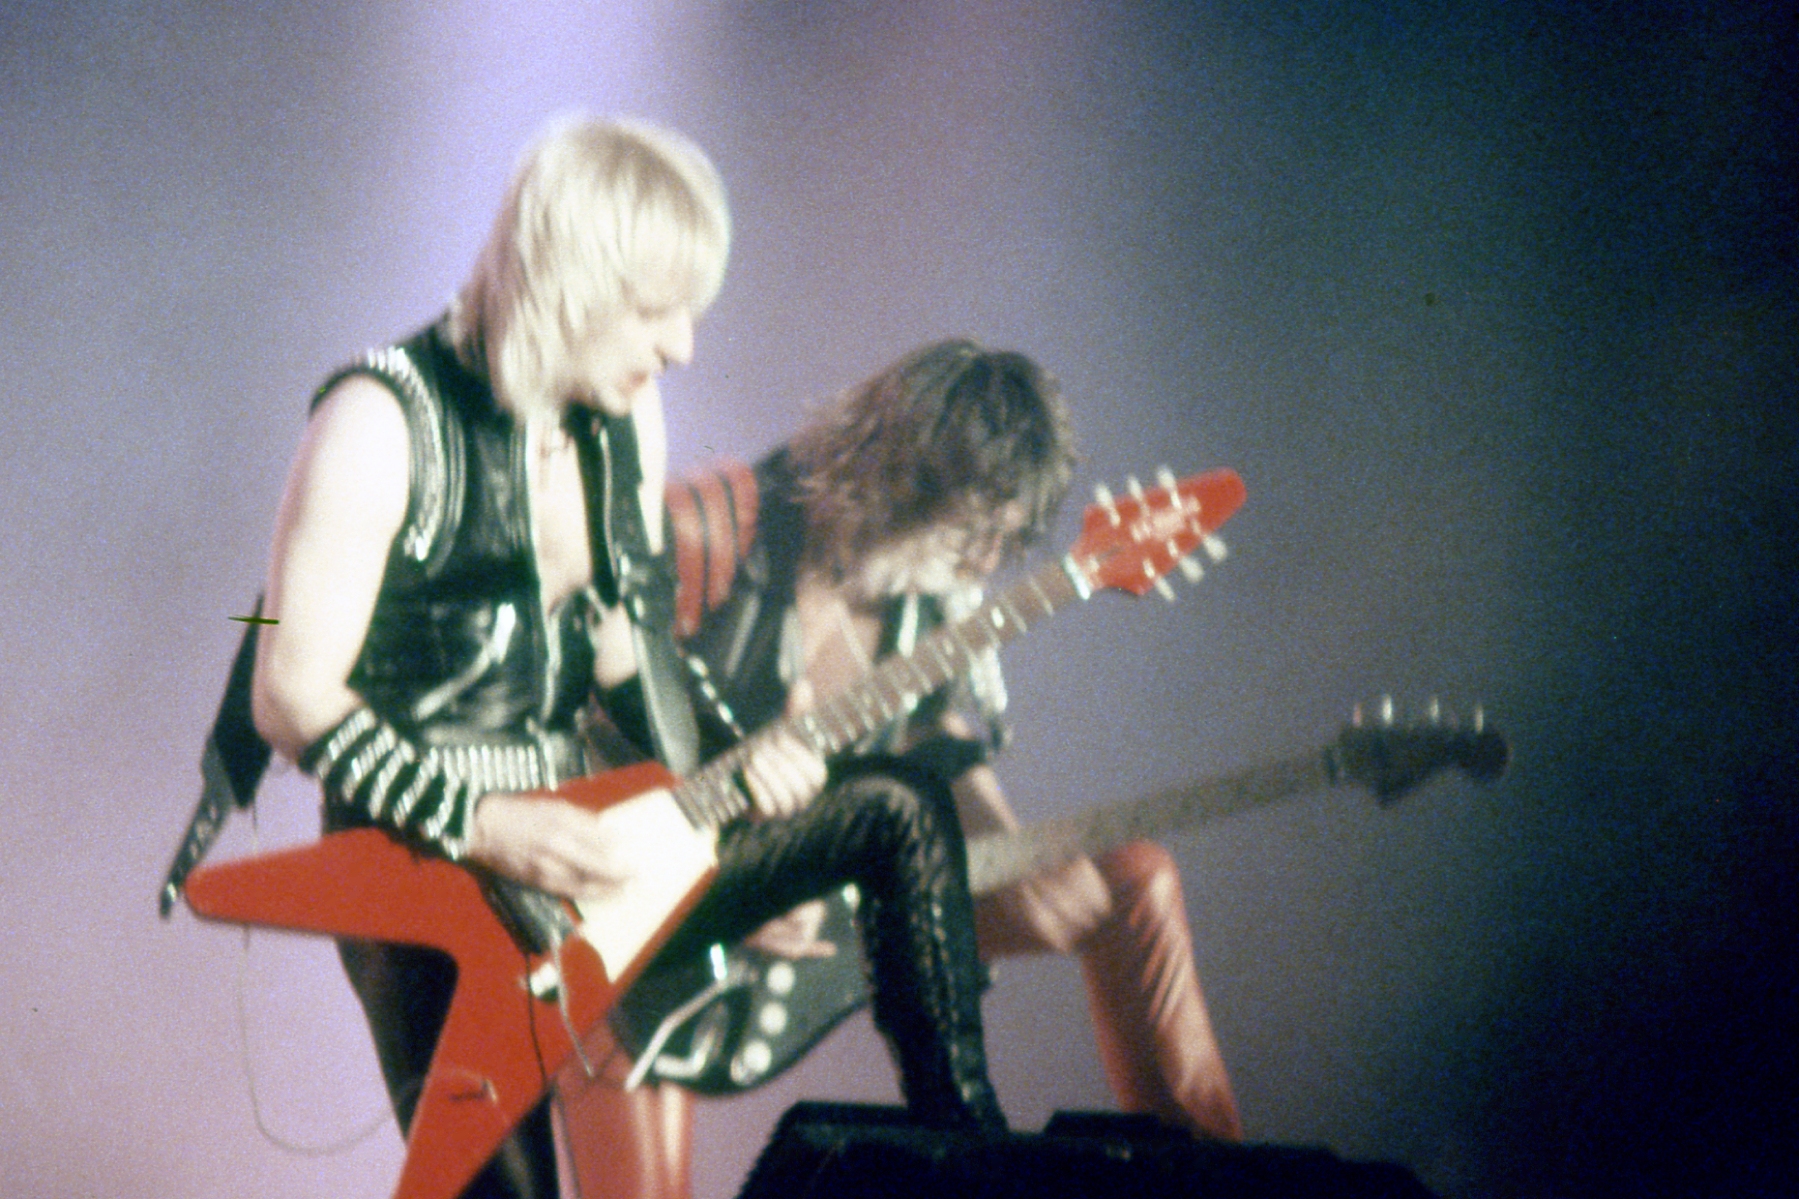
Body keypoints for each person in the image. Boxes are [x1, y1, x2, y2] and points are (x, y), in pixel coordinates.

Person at [247, 118, 1004, 1199]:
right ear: (573, 281)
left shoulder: (620, 418)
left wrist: (743, 771)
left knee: (893, 803)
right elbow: (289, 693)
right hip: (419, 855)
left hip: (592, 826)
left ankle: (973, 1159)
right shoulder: (375, 420)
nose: (681, 346)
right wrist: (487, 822)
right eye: (658, 311)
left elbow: (625, 651)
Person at [560, 340, 1239, 1193]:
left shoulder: (930, 607)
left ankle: (1215, 1177)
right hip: (650, 930)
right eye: (972, 535)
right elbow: (571, 715)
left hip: (843, 895)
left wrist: (1027, 868)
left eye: (1002, 542)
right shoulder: (711, 526)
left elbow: (938, 758)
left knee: (1131, 883)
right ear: (903, 480)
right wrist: (724, 865)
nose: (986, 566)